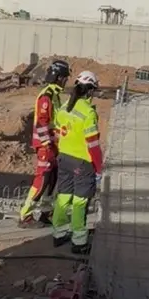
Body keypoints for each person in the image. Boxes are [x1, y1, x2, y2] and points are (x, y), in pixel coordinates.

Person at [52, 70, 103, 254]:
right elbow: (94, 146)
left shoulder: (64, 107)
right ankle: (79, 242)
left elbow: (57, 135)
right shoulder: (88, 113)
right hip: (82, 162)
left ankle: (58, 234)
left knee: (63, 197)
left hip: (63, 158)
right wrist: (98, 169)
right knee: (80, 202)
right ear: (90, 90)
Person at [19, 59, 71, 227]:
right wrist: (48, 144)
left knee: (51, 180)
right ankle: (25, 216)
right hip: (46, 146)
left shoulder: (55, 95)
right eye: (64, 78)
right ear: (58, 77)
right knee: (42, 180)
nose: (65, 81)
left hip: (54, 146)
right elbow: (42, 123)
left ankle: (45, 213)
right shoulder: (46, 96)